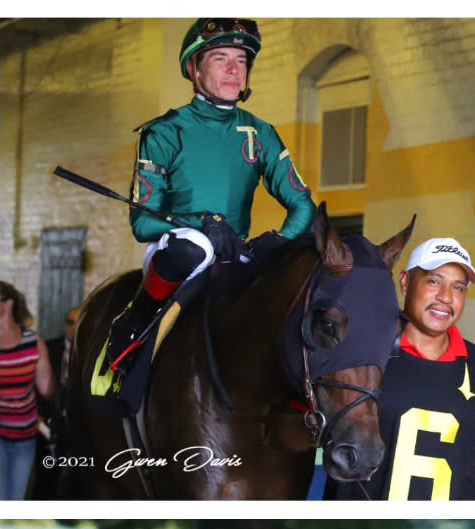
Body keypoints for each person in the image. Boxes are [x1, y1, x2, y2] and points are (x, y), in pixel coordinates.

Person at [100, 19, 315, 384]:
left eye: (241, 60)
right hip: (176, 250)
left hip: (234, 251)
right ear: (193, 69)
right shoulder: (163, 132)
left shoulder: (261, 133)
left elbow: (303, 205)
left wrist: (279, 240)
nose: (234, 69)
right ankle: (134, 325)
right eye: (220, 58)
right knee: (195, 247)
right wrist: (202, 223)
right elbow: (142, 225)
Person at [329, 237, 475, 500]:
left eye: (458, 288)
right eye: (434, 281)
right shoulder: (363, 352)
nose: (446, 297)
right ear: (405, 282)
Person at [1, 284, 53, 499]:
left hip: (26, 435)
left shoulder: (33, 342)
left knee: (16, 500)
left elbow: (47, 390)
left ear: (9, 304)